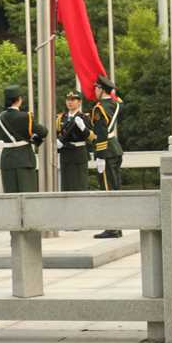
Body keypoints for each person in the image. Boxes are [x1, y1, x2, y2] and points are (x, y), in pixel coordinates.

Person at [0, 85, 47, 193]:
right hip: (24, 159)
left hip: (7, 160)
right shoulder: (25, 117)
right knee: (27, 194)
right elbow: (43, 132)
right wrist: (33, 138)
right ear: (19, 99)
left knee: (10, 195)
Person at [91, 75, 124, 239]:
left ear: (101, 89)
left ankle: (112, 228)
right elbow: (120, 102)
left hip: (106, 152)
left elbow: (102, 133)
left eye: (96, 88)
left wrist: (100, 156)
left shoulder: (99, 108)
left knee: (107, 190)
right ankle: (117, 226)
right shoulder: (116, 104)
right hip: (115, 148)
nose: (94, 91)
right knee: (116, 188)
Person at [56, 89, 93, 192]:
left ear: (79, 102)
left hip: (79, 153)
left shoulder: (84, 117)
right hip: (65, 154)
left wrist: (83, 128)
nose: (70, 102)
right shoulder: (61, 118)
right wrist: (57, 142)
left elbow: (92, 137)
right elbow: (56, 133)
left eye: (73, 100)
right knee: (66, 186)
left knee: (80, 185)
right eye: (68, 100)